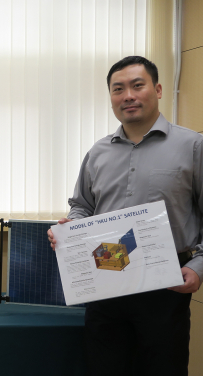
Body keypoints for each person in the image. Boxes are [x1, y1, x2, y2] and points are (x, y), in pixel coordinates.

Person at [47, 56, 203, 376]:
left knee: (163, 368)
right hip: (104, 278)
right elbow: (81, 206)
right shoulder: (98, 152)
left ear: (158, 89)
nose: (127, 95)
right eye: (118, 89)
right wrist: (70, 228)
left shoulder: (193, 146)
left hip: (165, 284)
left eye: (137, 85)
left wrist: (198, 266)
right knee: (104, 367)